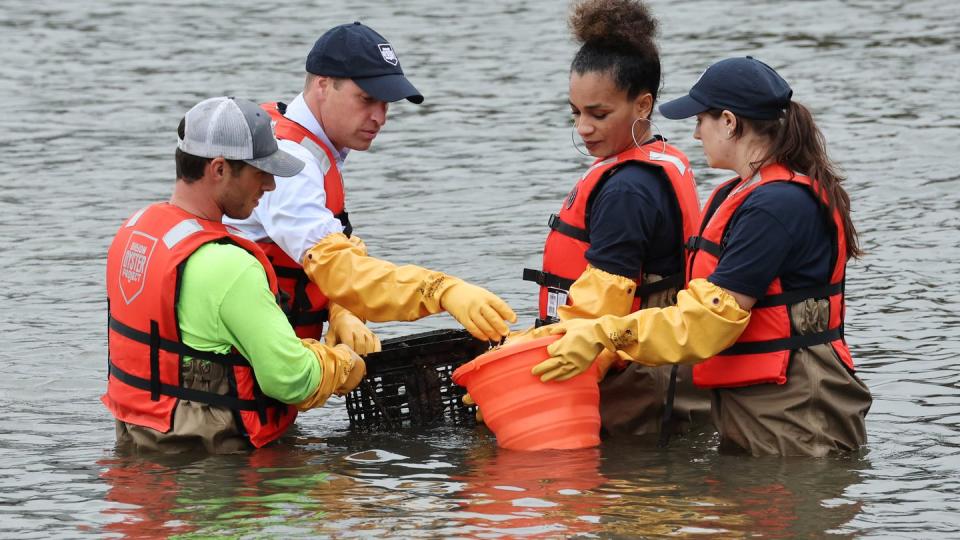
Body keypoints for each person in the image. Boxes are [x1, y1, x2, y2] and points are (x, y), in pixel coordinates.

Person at [529, 57, 872, 456]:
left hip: (796, 415)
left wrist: (604, 332)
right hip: (763, 407)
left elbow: (709, 320)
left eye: (700, 120)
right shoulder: (746, 193)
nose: (694, 134)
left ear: (729, 122)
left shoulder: (775, 206)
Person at [224, 22, 515, 351]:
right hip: (231, 369)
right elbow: (337, 267)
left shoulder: (293, 135)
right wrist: (439, 290)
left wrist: (340, 307)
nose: (380, 117)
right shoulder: (292, 164)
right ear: (323, 85)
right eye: (367, 99)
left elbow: (330, 247)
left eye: (386, 103)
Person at [104, 97, 367, 453]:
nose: (271, 185)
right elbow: (292, 380)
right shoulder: (230, 266)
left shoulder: (135, 233)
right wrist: (342, 362)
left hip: (139, 450)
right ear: (219, 169)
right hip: (217, 470)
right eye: (261, 172)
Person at [519, 0, 707, 441]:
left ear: (642, 105)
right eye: (576, 112)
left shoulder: (628, 190)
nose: (584, 127)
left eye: (599, 114)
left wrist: (527, 360)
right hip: (663, 376)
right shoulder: (657, 161)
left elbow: (603, 301)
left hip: (634, 383)